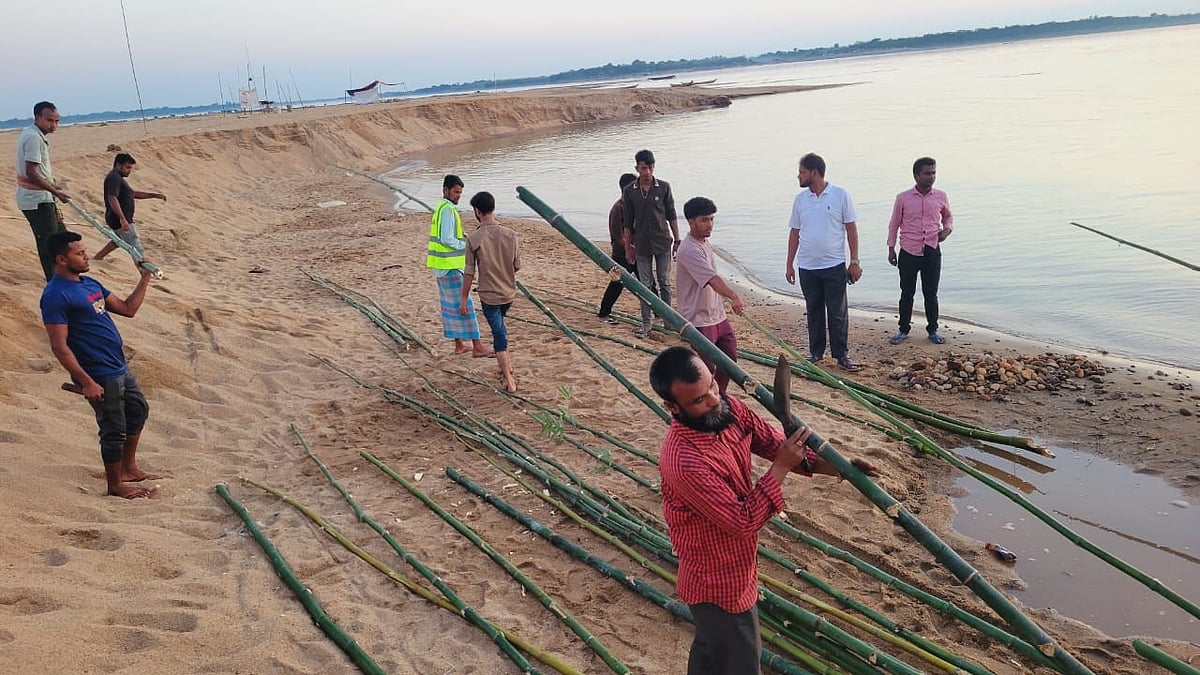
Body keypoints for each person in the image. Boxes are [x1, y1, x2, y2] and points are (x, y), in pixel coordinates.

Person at [650, 346, 879, 674]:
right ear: (672, 407)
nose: (714, 399)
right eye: (699, 401)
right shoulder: (684, 461)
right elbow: (743, 520)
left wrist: (836, 467)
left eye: (712, 386)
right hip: (717, 581)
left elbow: (772, 443)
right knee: (742, 659)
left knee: (711, 650)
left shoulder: (727, 410)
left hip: (736, 565)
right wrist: (782, 468)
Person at [40, 231, 160, 499]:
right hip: (98, 372)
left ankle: (129, 468)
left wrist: (144, 277)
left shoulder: (89, 283)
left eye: (84, 251)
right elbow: (60, 346)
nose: (86, 256)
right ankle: (115, 486)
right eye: (79, 253)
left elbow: (128, 309)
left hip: (118, 366)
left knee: (138, 411)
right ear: (61, 259)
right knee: (113, 429)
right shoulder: (56, 296)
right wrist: (86, 381)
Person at [784, 153, 863, 372]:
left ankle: (841, 355)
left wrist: (854, 261)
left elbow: (851, 229)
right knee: (814, 311)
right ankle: (816, 353)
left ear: (814, 172)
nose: (798, 176)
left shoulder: (839, 195)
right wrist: (789, 263)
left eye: (801, 172)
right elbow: (794, 232)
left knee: (837, 313)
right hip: (807, 267)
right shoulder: (800, 200)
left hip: (834, 265)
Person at [675, 197, 743, 395]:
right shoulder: (688, 249)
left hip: (717, 314)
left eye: (712, 219)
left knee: (729, 359)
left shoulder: (705, 243)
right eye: (704, 220)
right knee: (705, 368)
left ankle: (718, 396)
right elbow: (712, 279)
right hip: (699, 318)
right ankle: (706, 402)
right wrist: (733, 295)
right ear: (691, 221)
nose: (710, 225)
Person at [887, 157, 954, 345]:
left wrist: (947, 230)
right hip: (908, 251)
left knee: (931, 293)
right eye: (927, 173)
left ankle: (933, 330)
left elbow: (948, 217)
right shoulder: (903, 198)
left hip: (932, 250)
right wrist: (891, 248)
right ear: (916, 175)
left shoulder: (940, 196)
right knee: (907, 292)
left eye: (933, 172)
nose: (931, 177)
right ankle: (903, 329)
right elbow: (894, 224)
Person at [460, 191, 521, 392]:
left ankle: (509, 379)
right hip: (508, 294)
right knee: (500, 329)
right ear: (492, 208)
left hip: (489, 296)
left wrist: (463, 299)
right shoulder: (511, 235)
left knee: (499, 334)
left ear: (477, 211)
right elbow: (516, 265)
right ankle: (507, 365)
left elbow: (469, 272)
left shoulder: (474, 238)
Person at [427, 174, 490, 357]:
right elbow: (447, 239)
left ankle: (459, 345)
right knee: (465, 305)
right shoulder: (447, 210)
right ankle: (477, 347)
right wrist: (466, 245)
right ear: (445, 190)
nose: (458, 196)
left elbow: (445, 235)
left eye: (461, 193)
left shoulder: (441, 207)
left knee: (450, 306)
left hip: (441, 265)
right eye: (455, 192)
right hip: (450, 265)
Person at [622, 149, 680, 339]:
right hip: (641, 245)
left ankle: (668, 321)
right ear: (637, 168)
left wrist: (677, 240)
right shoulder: (630, 191)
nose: (647, 172)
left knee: (664, 281)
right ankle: (646, 324)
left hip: (662, 241)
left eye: (650, 167)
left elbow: (671, 214)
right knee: (645, 285)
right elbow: (627, 223)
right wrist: (627, 247)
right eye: (643, 168)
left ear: (654, 167)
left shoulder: (663, 187)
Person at [15, 101, 73, 282]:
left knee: (62, 237)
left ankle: (65, 275)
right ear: (38, 117)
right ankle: (54, 281)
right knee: (49, 242)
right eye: (49, 120)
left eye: (57, 121)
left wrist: (52, 188)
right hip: (36, 200)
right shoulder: (33, 137)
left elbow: (38, 172)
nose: (54, 125)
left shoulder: (35, 135)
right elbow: (31, 172)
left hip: (44, 196)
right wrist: (55, 192)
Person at [93, 153, 167, 262]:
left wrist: (154, 195)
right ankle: (144, 270)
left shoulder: (117, 178)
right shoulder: (114, 178)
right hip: (119, 218)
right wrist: (122, 218)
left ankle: (98, 257)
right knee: (135, 245)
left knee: (119, 239)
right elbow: (112, 198)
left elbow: (132, 194)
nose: (129, 171)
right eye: (127, 167)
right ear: (118, 165)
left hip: (117, 218)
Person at [597, 172, 639, 323]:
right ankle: (603, 314)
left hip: (637, 254)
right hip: (620, 254)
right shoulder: (618, 208)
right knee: (616, 284)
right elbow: (617, 236)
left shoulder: (635, 207)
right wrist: (630, 247)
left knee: (648, 284)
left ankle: (659, 313)